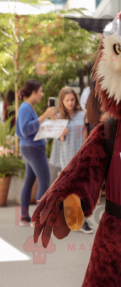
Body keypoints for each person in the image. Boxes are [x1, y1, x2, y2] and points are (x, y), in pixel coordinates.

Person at [49, 86, 93, 234]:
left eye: (72, 99)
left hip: (81, 158)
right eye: (67, 100)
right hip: (66, 159)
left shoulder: (83, 114)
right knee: (70, 192)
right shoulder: (59, 119)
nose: (70, 102)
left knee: (80, 191)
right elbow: (58, 140)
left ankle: (79, 221)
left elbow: (87, 135)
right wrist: (61, 133)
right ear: (62, 101)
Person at [16, 79, 57, 226]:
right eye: (40, 91)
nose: (42, 94)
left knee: (29, 181)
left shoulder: (27, 107)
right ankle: (38, 218)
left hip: (29, 147)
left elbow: (28, 129)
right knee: (44, 181)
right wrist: (44, 116)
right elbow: (25, 129)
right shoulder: (26, 108)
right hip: (34, 149)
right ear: (33, 92)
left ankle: (24, 217)